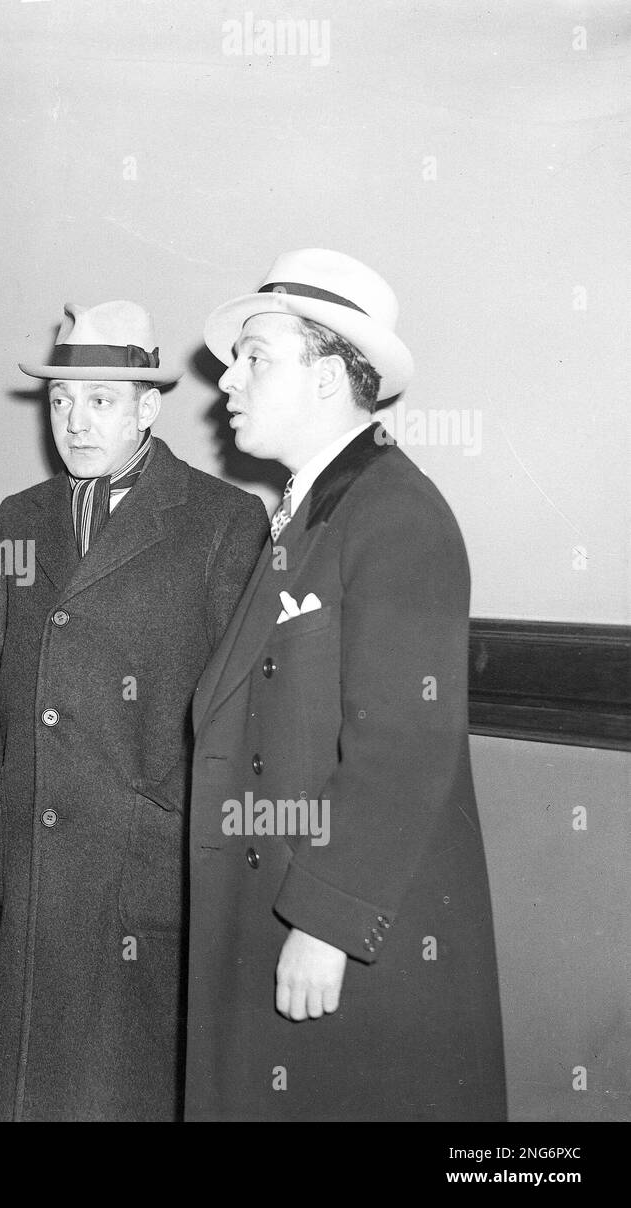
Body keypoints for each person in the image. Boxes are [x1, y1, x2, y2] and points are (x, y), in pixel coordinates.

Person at [185, 248, 506, 1121]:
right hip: (283, 911)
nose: (228, 382)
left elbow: (405, 740)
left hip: (347, 939)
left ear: (329, 378)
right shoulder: (313, 510)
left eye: (257, 357)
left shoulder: (397, 515)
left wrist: (326, 921)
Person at [0, 300, 268, 1120]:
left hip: (144, 876)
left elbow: (244, 711)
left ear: (148, 408)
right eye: (60, 402)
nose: (74, 423)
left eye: (100, 401)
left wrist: (178, 831)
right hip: (35, 866)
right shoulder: (19, 518)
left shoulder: (223, 521)